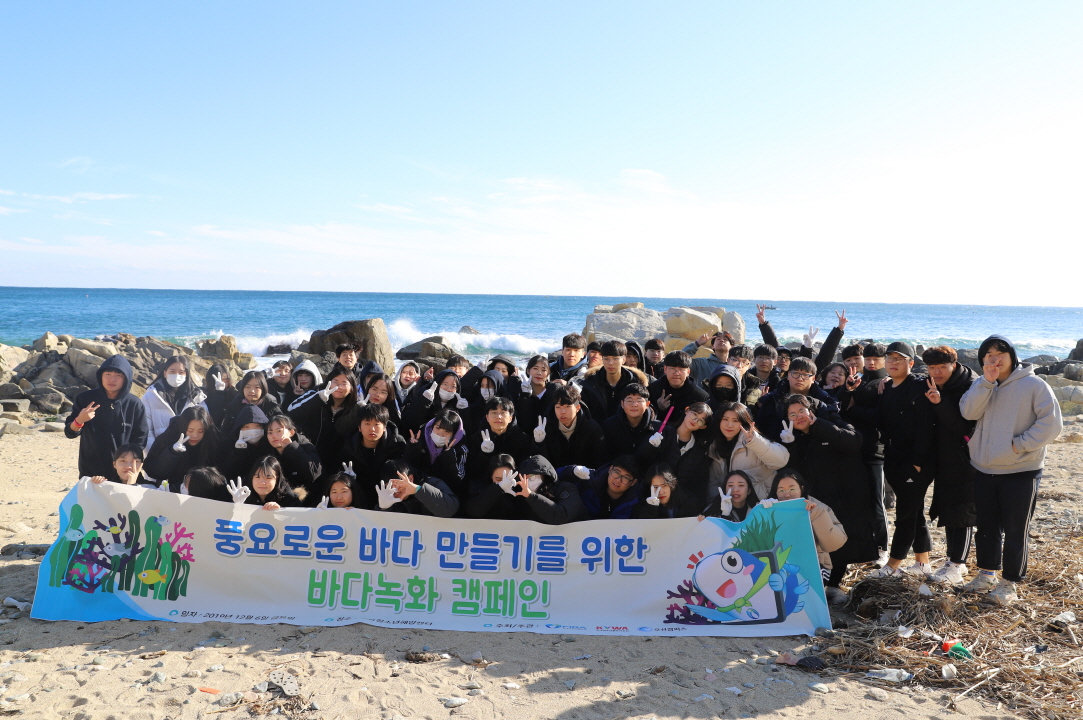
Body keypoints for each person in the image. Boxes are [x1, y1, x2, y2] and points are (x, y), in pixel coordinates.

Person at [959, 335, 1063, 605]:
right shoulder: (982, 384)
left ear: (1012, 355)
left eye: (999, 353)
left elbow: (1051, 424)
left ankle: (1010, 583)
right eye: (988, 355)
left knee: (1016, 530)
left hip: (1021, 470)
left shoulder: (1033, 384)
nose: (994, 359)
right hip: (984, 468)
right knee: (986, 528)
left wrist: (1019, 446)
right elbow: (968, 412)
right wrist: (986, 382)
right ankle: (986, 575)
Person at [778, 394, 878, 589]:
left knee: (842, 540)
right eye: (792, 414)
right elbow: (795, 473)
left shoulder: (831, 422)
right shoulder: (794, 437)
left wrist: (819, 425)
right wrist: (789, 445)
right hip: (818, 498)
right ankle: (823, 584)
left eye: (802, 411)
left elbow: (854, 441)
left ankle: (834, 586)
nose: (798, 416)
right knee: (821, 541)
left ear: (811, 412)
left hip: (846, 494)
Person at [862, 341, 936, 579]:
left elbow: (926, 427)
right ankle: (923, 563)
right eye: (890, 359)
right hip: (893, 459)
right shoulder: (887, 388)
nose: (893, 363)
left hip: (915, 463)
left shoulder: (919, 385)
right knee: (914, 512)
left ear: (911, 363)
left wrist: (917, 461)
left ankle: (893, 565)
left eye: (899, 359)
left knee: (905, 514)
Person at [921, 345, 978, 585]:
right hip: (943, 456)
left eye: (942, 367)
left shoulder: (969, 386)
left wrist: (939, 402)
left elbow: (964, 426)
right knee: (947, 508)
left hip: (966, 457)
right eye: (932, 368)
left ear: (953, 365)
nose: (936, 372)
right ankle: (952, 560)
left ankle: (958, 564)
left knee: (963, 510)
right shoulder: (931, 382)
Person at [768, 469, 849, 604]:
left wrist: (816, 515)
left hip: (816, 564)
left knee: (800, 595)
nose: (786, 494)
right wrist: (761, 513)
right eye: (781, 490)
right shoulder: (769, 507)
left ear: (802, 488)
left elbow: (834, 544)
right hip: (779, 565)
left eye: (792, 489)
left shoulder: (817, 507)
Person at [842, 340, 891, 562]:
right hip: (855, 450)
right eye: (868, 358)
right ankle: (864, 546)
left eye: (876, 359)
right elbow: (845, 410)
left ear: (884, 360)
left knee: (876, 503)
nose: (871, 363)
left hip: (876, 451)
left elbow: (880, 417)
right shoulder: (860, 380)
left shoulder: (886, 382)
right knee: (858, 501)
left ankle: (882, 548)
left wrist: (855, 411)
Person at [65, 354, 149, 480]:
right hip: (91, 469)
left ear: (126, 378)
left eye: (118, 376)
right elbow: (70, 433)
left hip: (122, 471)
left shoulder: (134, 404)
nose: (112, 379)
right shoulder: (86, 399)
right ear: (100, 376)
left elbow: (140, 440)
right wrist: (80, 420)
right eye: (108, 374)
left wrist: (128, 466)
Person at [465, 454, 584, 524]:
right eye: (498, 478)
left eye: (532, 476)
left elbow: (560, 515)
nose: (503, 482)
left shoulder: (565, 488)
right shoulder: (517, 493)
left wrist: (531, 496)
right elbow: (474, 510)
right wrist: (498, 489)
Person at [640, 402, 713, 515]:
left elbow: (698, 484)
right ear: (686, 410)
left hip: (680, 506)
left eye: (700, 420)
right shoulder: (662, 432)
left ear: (703, 426)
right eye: (694, 414)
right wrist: (650, 447)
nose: (695, 420)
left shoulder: (699, 450)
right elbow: (642, 462)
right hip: (652, 497)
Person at [706, 401, 789, 500]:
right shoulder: (714, 446)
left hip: (763, 504)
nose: (729, 425)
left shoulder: (754, 441)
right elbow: (714, 483)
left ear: (744, 423)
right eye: (725, 419)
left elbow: (781, 461)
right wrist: (716, 506)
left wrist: (755, 442)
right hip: (732, 507)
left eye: (735, 421)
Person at [753, 356, 841, 443]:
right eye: (795, 373)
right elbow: (760, 427)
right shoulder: (772, 399)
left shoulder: (825, 401)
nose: (800, 378)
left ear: (813, 379)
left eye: (806, 375)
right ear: (788, 375)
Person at [339, 403, 407, 508]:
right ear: (359, 427)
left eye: (377, 424)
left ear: (384, 426)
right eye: (367, 424)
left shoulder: (397, 444)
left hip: (391, 503)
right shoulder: (348, 447)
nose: (372, 429)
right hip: (357, 503)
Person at [143, 406, 222, 492]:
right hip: (171, 492)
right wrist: (172, 452)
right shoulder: (169, 437)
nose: (195, 435)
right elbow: (152, 470)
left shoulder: (213, 441)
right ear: (183, 428)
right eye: (190, 430)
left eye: (200, 431)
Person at [531, 384, 607, 469]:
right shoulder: (545, 427)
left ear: (577, 408)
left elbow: (600, 460)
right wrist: (539, 443)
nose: (562, 411)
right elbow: (539, 462)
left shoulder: (592, 428)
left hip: (584, 476)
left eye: (567, 407)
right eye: (558, 407)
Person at [464, 396, 532, 486]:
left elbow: (524, 467)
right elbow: (472, 471)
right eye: (494, 413)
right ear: (487, 417)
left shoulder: (522, 438)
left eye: (503, 413)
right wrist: (485, 455)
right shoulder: (477, 438)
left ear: (510, 418)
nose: (498, 417)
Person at [141, 355, 207, 448]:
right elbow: (146, 430)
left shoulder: (196, 396)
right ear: (165, 373)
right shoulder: (150, 396)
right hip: (161, 452)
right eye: (172, 372)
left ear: (186, 374)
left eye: (181, 372)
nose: (177, 375)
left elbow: (205, 425)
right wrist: (154, 454)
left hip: (190, 453)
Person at [580, 340, 650, 421]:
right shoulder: (591, 383)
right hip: (596, 431)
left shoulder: (636, 382)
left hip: (626, 430)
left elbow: (646, 408)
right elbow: (583, 412)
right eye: (606, 359)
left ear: (623, 360)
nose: (610, 363)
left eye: (615, 359)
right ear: (602, 359)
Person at [405, 409, 468, 498]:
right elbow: (408, 467)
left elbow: (457, 481)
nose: (440, 434)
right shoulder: (419, 439)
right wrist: (413, 447)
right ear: (432, 426)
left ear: (454, 434)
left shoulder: (460, 449)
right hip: (416, 490)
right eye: (438, 428)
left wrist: (449, 455)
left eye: (447, 431)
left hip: (442, 495)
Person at [560, 455, 641, 520]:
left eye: (626, 477)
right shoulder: (590, 480)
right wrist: (571, 472)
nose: (618, 480)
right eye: (616, 472)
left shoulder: (637, 500)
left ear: (633, 482)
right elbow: (555, 477)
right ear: (610, 469)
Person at [371, 459, 460, 517]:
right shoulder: (386, 495)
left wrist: (418, 490)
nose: (395, 489)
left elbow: (449, 510)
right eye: (390, 484)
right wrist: (383, 508)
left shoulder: (433, 484)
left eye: (398, 483)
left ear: (410, 478)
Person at [264, 415, 322, 495]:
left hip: (310, 502)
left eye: (279, 431)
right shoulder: (268, 452)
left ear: (291, 432)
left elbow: (313, 474)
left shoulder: (305, 445)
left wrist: (291, 448)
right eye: (270, 432)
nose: (274, 436)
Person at [600, 384, 661, 461]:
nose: (634, 405)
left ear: (647, 404)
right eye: (629, 401)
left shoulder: (658, 428)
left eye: (639, 400)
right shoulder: (609, 425)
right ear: (622, 404)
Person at [401, 369, 471, 433]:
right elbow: (407, 423)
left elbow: (466, 430)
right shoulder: (423, 395)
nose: (449, 389)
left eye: (453, 386)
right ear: (437, 384)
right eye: (445, 384)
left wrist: (464, 412)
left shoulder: (459, 404)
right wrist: (424, 402)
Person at [648, 351, 710, 419]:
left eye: (681, 369)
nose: (677, 373)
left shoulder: (701, 397)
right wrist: (657, 407)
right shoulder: (652, 389)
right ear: (665, 369)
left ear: (688, 372)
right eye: (672, 368)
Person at [220, 404, 272, 480]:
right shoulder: (229, 444)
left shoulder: (271, 443)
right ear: (239, 429)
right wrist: (238, 453)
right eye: (246, 427)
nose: (252, 430)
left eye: (257, 426)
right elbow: (226, 472)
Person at [515, 355, 559, 432]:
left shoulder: (553, 391)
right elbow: (523, 421)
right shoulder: (520, 391)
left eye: (543, 370)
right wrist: (525, 396)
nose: (539, 373)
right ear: (528, 371)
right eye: (535, 368)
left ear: (548, 373)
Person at [87, 444, 156, 488]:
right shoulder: (106, 486)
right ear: (114, 464)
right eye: (123, 461)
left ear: (141, 465)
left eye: (135, 461)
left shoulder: (150, 488)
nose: (128, 466)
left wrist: (132, 485)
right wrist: (95, 484)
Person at [202, 363, 238, 429]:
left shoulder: (234, 395)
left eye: (225, 380)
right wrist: (219, 393)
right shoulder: (203, 395)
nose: (222, 383)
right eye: (218, 380)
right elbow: (214, 418)